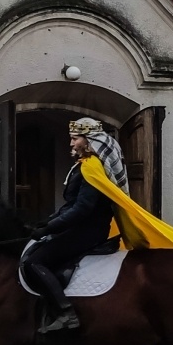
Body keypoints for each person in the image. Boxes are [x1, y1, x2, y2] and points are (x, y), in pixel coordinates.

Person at [22, 118, 129, 333]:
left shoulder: (92, 168)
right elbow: (71, 205)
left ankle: (65, 313)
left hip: (87, 232)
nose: (71, 143)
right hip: (83, 227)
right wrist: (48, 221)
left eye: (75, 138)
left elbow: (82, 209)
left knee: (34, 262)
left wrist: (50, 229)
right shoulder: (84, 166)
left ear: (89, 140)